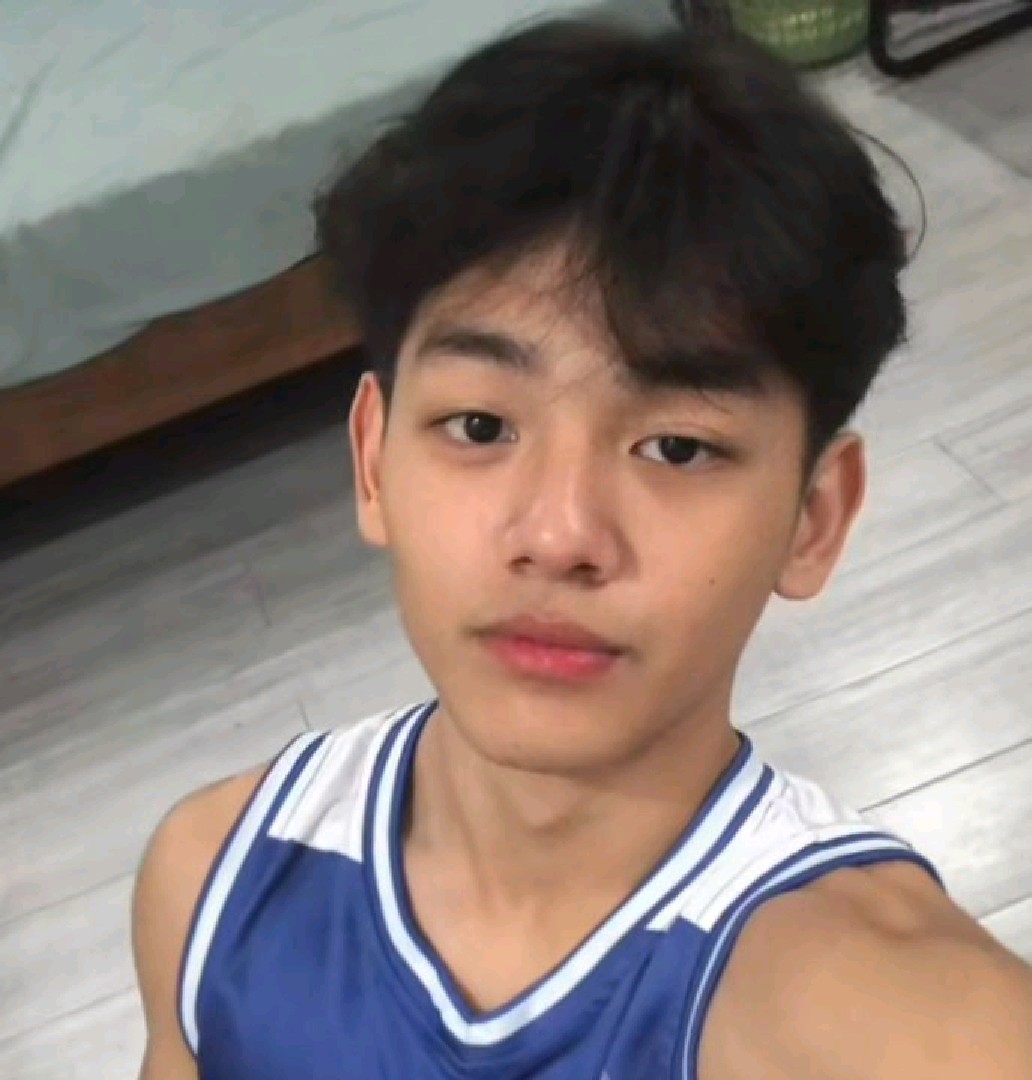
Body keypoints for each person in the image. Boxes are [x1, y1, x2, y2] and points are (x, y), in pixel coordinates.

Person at [132, 18, 1032, 1080]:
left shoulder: (913, 1028)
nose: (560, 536)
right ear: (373, 461)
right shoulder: (214, 885)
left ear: (814, 519)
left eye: (677, 446)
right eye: (480, 426)